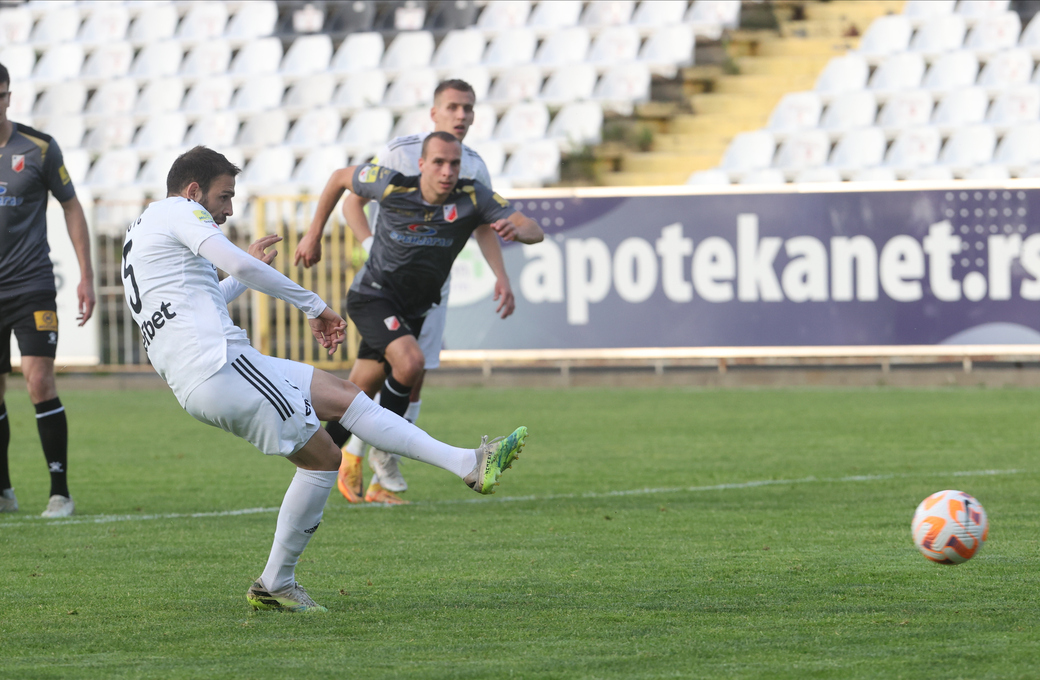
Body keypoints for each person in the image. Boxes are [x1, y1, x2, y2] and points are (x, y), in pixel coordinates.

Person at [122, 146, 528, 613]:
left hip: (204, 370)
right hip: (220, 364)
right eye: (224, 196)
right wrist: (313, 304)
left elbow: (203, 293)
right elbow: (235, 265)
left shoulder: (144, 227)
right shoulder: (181, 211)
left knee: (346, 396)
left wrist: (249, 270)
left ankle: (469, 463)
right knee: (322, 458)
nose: (229, 209)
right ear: (193, 191)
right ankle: (277, 581)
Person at [295, 79, 513, 505]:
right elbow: (351, 197)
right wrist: (366, 246)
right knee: (408, 366)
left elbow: (484, 223)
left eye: (468, 108)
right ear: (433, 113)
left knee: (381, 376)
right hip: (385, 286)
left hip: (432, 288)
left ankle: (333, 455)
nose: (461, 115)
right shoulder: (401, 153)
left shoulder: (475, 165)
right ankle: (378, 458)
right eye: (452, 107)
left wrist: (500, 275)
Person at [0, 62, 95, 518]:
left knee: (39, 381)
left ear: (8, 96)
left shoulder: (37, 148)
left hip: (31, 285)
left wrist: (86, 275)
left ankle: (60, 492)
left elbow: (72, 206)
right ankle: (3, 490)